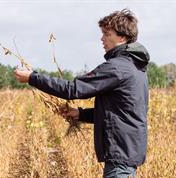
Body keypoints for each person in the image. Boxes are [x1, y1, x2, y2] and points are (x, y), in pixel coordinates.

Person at [14, 8, 150, 178]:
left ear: (122, 37)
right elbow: (122, 112)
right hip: (126, 154)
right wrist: (81, 114)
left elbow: (73, 89)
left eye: (107, 34)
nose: (102, 38)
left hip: (120, 158)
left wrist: (32, 78)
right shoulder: (135, 67)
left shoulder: (118, 67)